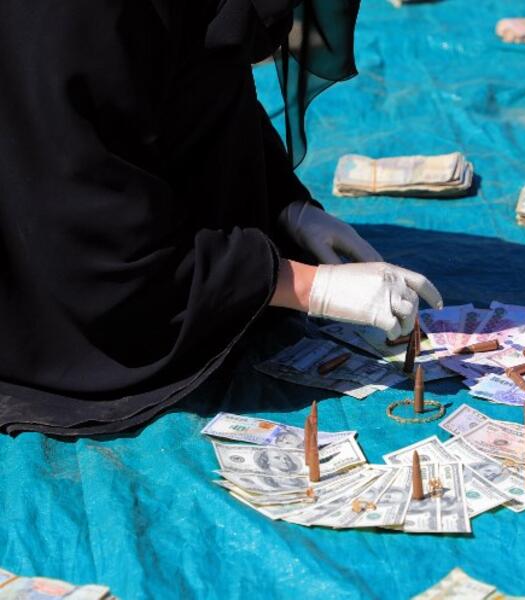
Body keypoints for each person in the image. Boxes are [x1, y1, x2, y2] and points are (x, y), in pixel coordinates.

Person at [0, 0, 441, 436]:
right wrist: (305, 286)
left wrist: (286, 205)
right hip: (52, 299)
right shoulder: (78, 23)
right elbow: (88, 239)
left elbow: (197, 71)